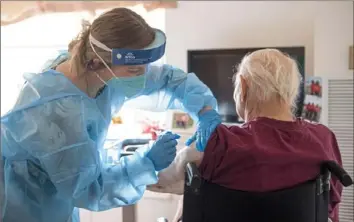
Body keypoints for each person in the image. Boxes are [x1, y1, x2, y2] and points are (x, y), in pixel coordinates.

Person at [0, 8, 221, 222]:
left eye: (144, 66)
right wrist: (146, 162)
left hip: (55, 204)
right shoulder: (56, 113)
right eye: (134, 70)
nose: (143, 76)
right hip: (24, 207)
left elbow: (169, 79)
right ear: (98, 62)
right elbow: (90, 190)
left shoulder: (98, 73)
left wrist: (205, 111)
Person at [149, 49, 343, 222]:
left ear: (243, 87)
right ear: (292, 91)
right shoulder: (323, 139)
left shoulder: (214, 143)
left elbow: (157, 179)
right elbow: (330, 203)